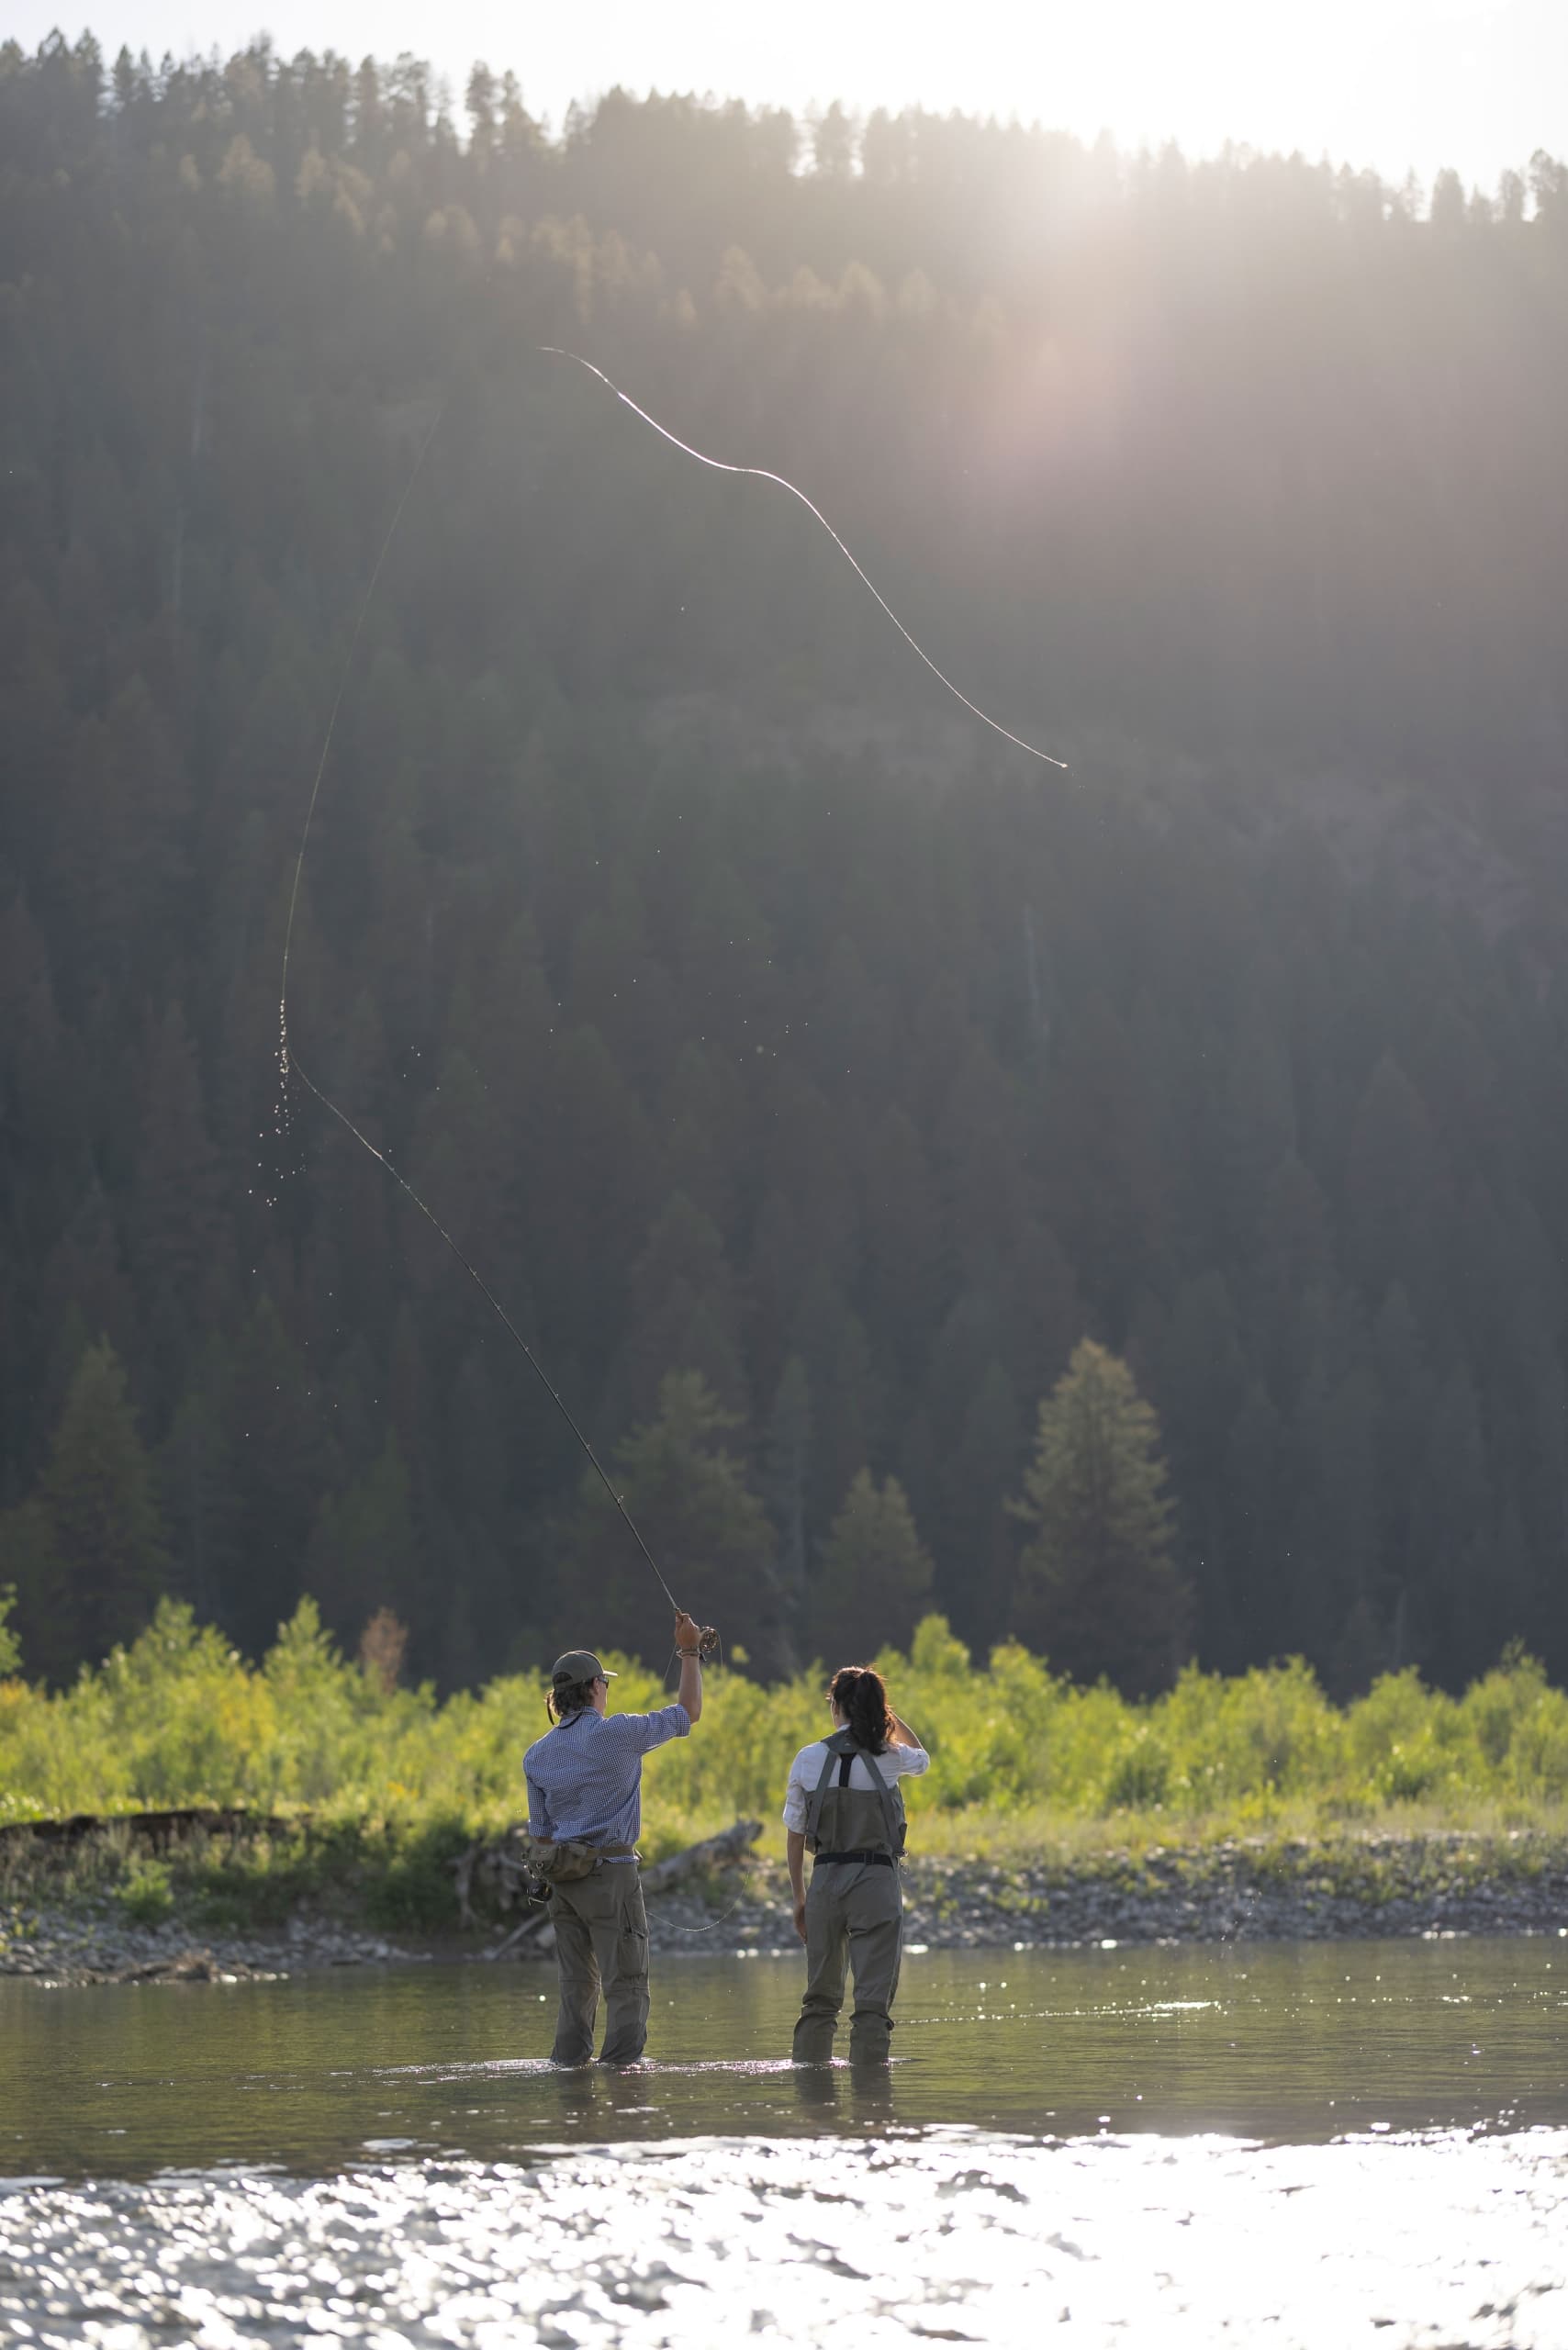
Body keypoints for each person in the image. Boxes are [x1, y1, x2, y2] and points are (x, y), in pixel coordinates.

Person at [524, 1612, 704, 2065]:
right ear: (592, 1689)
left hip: (561, 1885)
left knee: (575, 1989)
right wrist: (689, 1652)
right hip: (611, 1877)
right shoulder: (617, 1733)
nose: (607, 1691)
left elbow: (541, 1834)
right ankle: (623, 2083)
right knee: (625, 1984)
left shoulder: (536, 1756)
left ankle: (570, 2082)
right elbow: (689, 1713)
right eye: (604, 1683)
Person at [783, 1662, 929, 2064]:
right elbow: (924, 1758)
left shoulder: (807, 1758)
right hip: (876, 1883)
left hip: (825, 1883)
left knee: (819, 2000)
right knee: (871, 2005)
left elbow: (795, 1837)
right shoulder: (890, 1755)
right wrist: (888, 1718)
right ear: (878, 1709)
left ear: (836, 1707)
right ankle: (872, 2109)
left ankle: (813, 2100)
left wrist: (800, 1900)